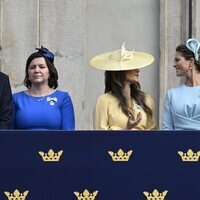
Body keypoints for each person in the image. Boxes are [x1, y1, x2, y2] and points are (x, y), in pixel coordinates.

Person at [89, 43, 157, 130]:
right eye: (132, 66)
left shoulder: (146, 99)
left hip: (142, 143)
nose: (138, 70)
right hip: (114, 144)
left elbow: (153, 133)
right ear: (119, 72)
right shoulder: (104, 100)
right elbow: (100, 137)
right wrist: (125, 131)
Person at [12, 46, 75, 130]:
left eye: (42, 67)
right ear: (28, 73)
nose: (36, 70)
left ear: (50, 72)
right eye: (32, 67)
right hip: (22, 143)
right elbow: (9, 133)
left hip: (56, 143)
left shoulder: (63, 98)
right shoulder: (16, 99)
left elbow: (68, 134)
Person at [162, 38, 200, 130]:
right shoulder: (172, 94)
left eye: (177, 60)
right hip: (177, 144)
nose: (174, 65)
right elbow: (167, 130)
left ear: (191, 61)